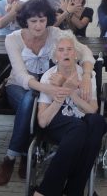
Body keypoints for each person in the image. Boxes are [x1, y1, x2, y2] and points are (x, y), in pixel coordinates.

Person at [0, 0, 95, 186]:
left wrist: (87, 75)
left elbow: (85, 52)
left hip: (50, 82)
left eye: (42, 20)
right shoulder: (12, 39)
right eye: (33, 21)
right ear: (25, 21)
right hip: (19, 85)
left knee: (37, 101)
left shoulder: (55, 34)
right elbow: (22, 76)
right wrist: (47, 88)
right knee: (30, 99)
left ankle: (23, 154)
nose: (39, 26)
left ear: (48, 19)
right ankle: (13, 156)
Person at [33, 31, 107, 196]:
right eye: (61, 50)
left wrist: (72, 93)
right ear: (55, 56)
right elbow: (43, 121)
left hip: (81, 123)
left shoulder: (87, 76)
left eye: (69, 49)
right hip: (58, 122)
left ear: (76, 53)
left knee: (98, 122)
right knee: (78, 127)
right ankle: (65, 190)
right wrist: (60, 94)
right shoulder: (48, 77)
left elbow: (92, 110)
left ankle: (69, 189)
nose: (66, 52)